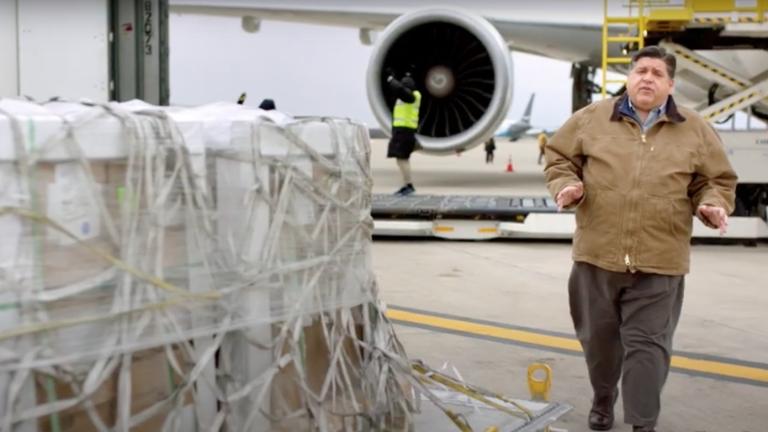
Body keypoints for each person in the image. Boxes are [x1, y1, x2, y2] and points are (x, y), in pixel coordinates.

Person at [544, 45, 737, 432]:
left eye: (657, 73)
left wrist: (712, 203)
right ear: (629, 78)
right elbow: (559, 157)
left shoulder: (695, 128)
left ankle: (642, 423)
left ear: (671, 85)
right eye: (640, 71)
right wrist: (566, 185)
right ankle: (603, 397)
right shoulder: (592, 118)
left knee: (648, 347)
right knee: (599, 343)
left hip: (660, 260)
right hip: (596, 255)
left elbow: (716, 180)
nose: (647, 78)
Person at [386, 71, 421, 196]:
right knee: (400, 159)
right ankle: (406, 185)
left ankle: (409, 186)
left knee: (402, 159)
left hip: (405, 132)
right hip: (401, 132)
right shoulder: (402, 98)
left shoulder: (413, 96)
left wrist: (391, 80)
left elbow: (401, 90)